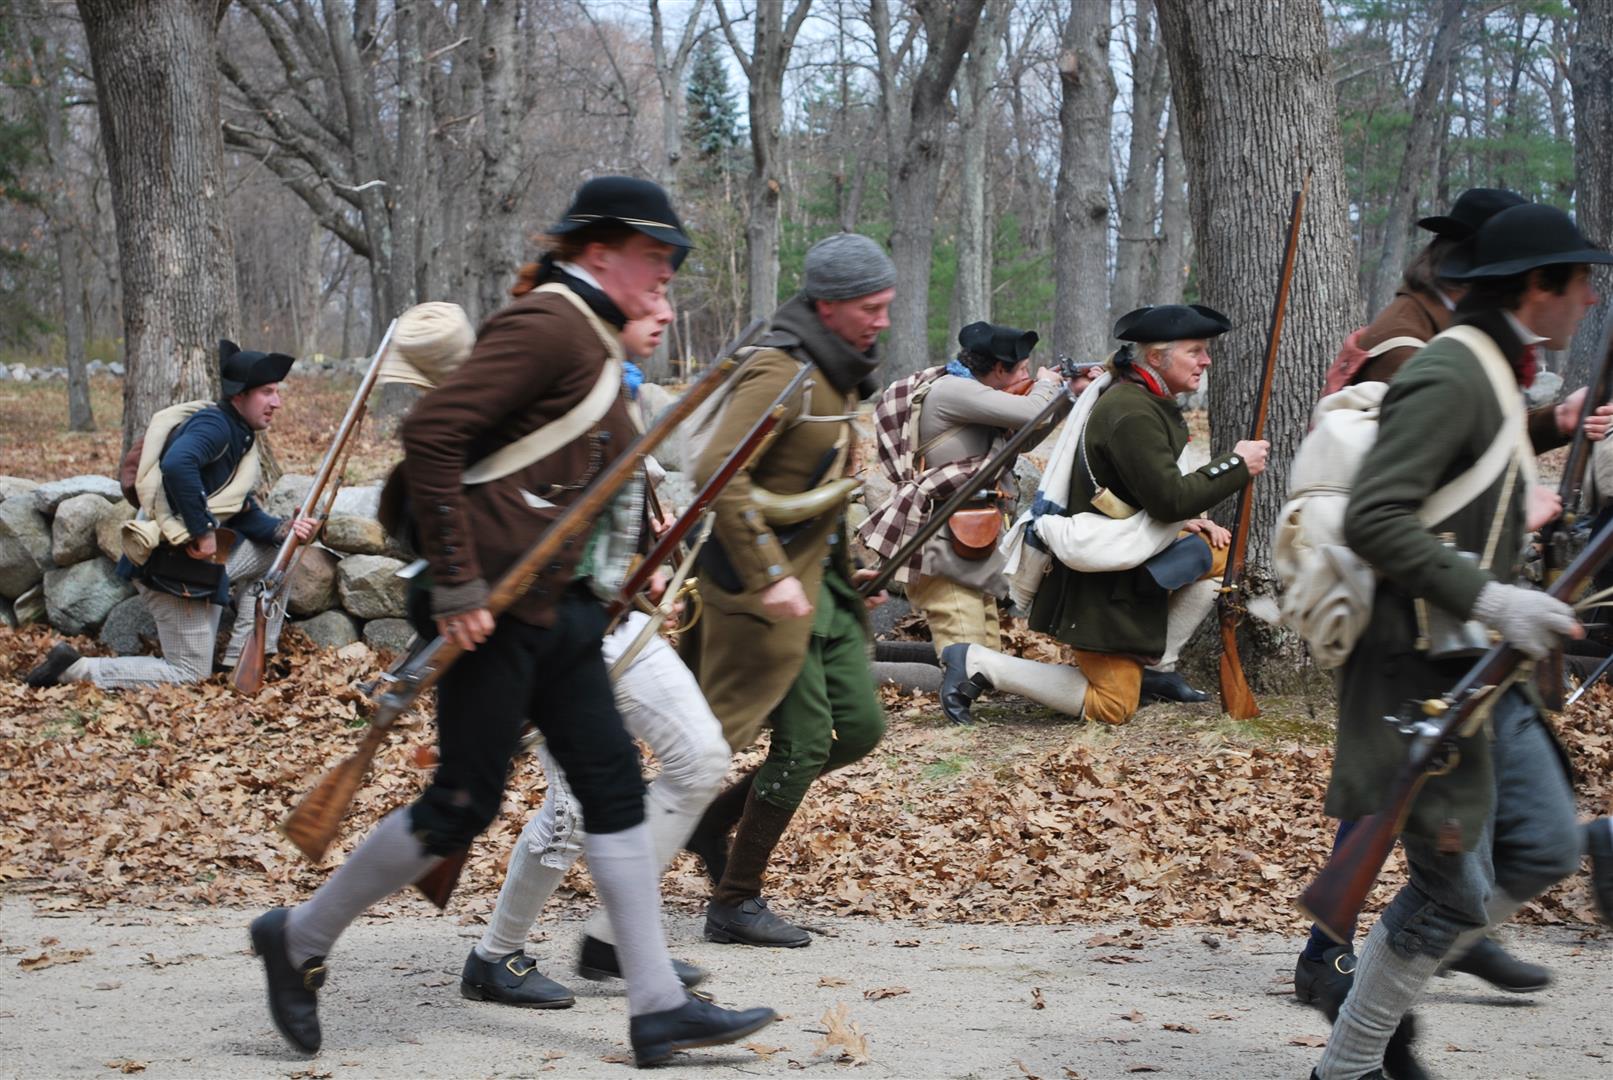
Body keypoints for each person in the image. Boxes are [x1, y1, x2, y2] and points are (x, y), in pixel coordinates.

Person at [247, 176, 774, 1067]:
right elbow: (433, 434)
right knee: (461, 804)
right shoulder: (549, 323)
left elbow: (580, 485)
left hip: (557, 609)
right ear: (599, 251)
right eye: (653, 256)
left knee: (612, 788)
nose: (665, 275)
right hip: (490, 607)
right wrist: (457, 585)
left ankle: (655, 1007)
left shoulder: (593, 338)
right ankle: (296, 938)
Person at [1309, 202, 1613, 1080]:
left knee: (1545, 847)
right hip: (1419, 672)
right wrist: (1495, 599)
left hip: (1479, 667)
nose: (1590, 298)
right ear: (1535, 286)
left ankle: (1369, 992)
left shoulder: (1493, 368)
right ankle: (1345, 1067)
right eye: (1579, 281)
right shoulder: (1452, 370)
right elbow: (1375, 518)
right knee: (1451, 898)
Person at [1296, 186, 1552, 1011]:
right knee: (1395, 785)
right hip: (1408, 606)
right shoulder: (1417, 344)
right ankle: (1334, 954)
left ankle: (1447, 935)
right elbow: (1409, 489)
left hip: (1442, 602)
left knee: (1425, 786)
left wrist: (1555, 424)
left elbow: (1478, 442)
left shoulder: (1443, 331)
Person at [460, 293, 732, 1006]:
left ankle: (615, 942)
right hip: (552, 629)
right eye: (649, 300)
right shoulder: (540, 403)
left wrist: (648, 556)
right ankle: (495, 956)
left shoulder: (623, 397)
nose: (665, 313)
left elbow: (619, 515)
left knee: (701, 758)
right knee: (573, 811)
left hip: (619, 619)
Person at [680, 232, 892, 948]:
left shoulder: (834, 369)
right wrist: (771, 576)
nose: (882, 321)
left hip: (820, 586)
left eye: (885, 305)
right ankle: (734, 901)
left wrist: (847, 565)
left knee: (859, 730)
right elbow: (715, 473)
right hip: (763, 590)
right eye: (869, 308)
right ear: (827, 305)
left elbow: (818, 488)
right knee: (801, 746)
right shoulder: (781, 369)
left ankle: (711, 823)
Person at [939, 304, 1268, 726]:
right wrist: (1236, 464)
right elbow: (1169, 499)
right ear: (1156, 357)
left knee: (1217, 553)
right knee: (1112, 707)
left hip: (1126, 560)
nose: (1206, 361)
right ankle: (978, 662)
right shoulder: (1132, 411)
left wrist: (1182, 521)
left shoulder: (1140, 399)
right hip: (1104, 579)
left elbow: (1142, 491)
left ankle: (1156, 667)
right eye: (1195, 351)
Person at [25, 343, 319, 689]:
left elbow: (237, 508)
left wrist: (284, 530)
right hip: (170, 566)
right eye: (267, 392)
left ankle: (242, 661)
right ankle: (75, 669)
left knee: (280, 555)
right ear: (240, 394)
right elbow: (178, 464)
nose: (277, 402)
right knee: (189, 674)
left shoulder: (237, 432)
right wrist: (203, 530)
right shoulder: (216, 425)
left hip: (196, 562)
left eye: (277, 392)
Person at [858, 321, 1070, 657]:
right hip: (943, 542)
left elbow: (1023, 437)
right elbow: (1032, 411)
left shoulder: (970, 392)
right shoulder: (955, 390)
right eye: (1023, 369)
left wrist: (1068, 396)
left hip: (966, 539)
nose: (1028, 375)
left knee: (986, 654)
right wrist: (1047, 384)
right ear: (999, 369)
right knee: (966, 654)